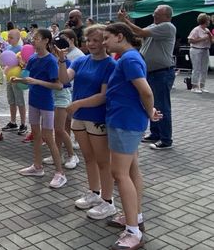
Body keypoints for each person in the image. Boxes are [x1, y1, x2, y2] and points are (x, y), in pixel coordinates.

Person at [103, 23, 162, 250]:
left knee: (120, 173)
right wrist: (149, 111)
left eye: (107, 38)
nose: (105, 42)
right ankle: (134, 217)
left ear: (120, 36)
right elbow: (139, 92)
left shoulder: (129, 59)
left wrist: (149, 111)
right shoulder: (129, 57)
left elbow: (145, 91)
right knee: (131, 169)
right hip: (125, 120)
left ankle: (133, 232)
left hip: (125, 122)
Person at [56, 24, 117, 220]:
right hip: (80, 117)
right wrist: (61, 60)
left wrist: (78, 103)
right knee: (89, 158)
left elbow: (103, 96)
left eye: (96, 40)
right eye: (88, 40)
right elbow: (64, 79)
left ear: (105, 42)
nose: (91, 44)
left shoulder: (110, 65)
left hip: (96, 117)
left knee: (103, 161)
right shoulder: (81, 61)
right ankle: (94, 192)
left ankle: (108, 201)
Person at [12, 29, 67, 189]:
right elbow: (29, 79)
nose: (33, 40)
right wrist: (18, 80)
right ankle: (37, 167)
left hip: (46, 104)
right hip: (33, 102)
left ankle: (60, 173)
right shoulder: (33, 58)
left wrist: (37, 82)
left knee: (48, 137)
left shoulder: (51, 61)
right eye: (33, 38)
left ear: (46, 41)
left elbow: (59, 85)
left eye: (37, 38)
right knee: (36, 135)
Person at [118, 4, 176, 150]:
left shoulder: (168, 27)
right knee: (152, 104)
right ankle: (155, 133)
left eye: (157, 14)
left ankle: (166, 139)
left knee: (162, 106)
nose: (154, 15)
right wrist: (126, 20)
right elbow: (137, 33)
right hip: (152, 72)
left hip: (162, 72)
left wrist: (125, 20)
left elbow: (140, 32)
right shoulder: (154, 26)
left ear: (167, 16)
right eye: (154, 13)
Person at [2, 29, 28, 137]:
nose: (8, 39)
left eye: (11, 37)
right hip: (9, 78)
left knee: (20, 101)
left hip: (17, 78)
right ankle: (13, 122)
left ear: (18, 38)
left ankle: (23, 124)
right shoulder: (8, 47)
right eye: (8, 37)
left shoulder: (21, 49)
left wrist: (20, 63)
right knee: (11, 101)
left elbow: (24, 64)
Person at [187, 13, 213, 93]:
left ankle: (202, 86)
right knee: (196, 68)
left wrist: (210, 36)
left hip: (205, 50)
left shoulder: (207, 30)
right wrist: (202, 39)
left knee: (205, 69)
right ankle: (194, 87)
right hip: (196, 50)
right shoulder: (196, 30)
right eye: (208, 20)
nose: (209, 21)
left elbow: (211, 41)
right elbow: (190, 40)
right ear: (205, 21)